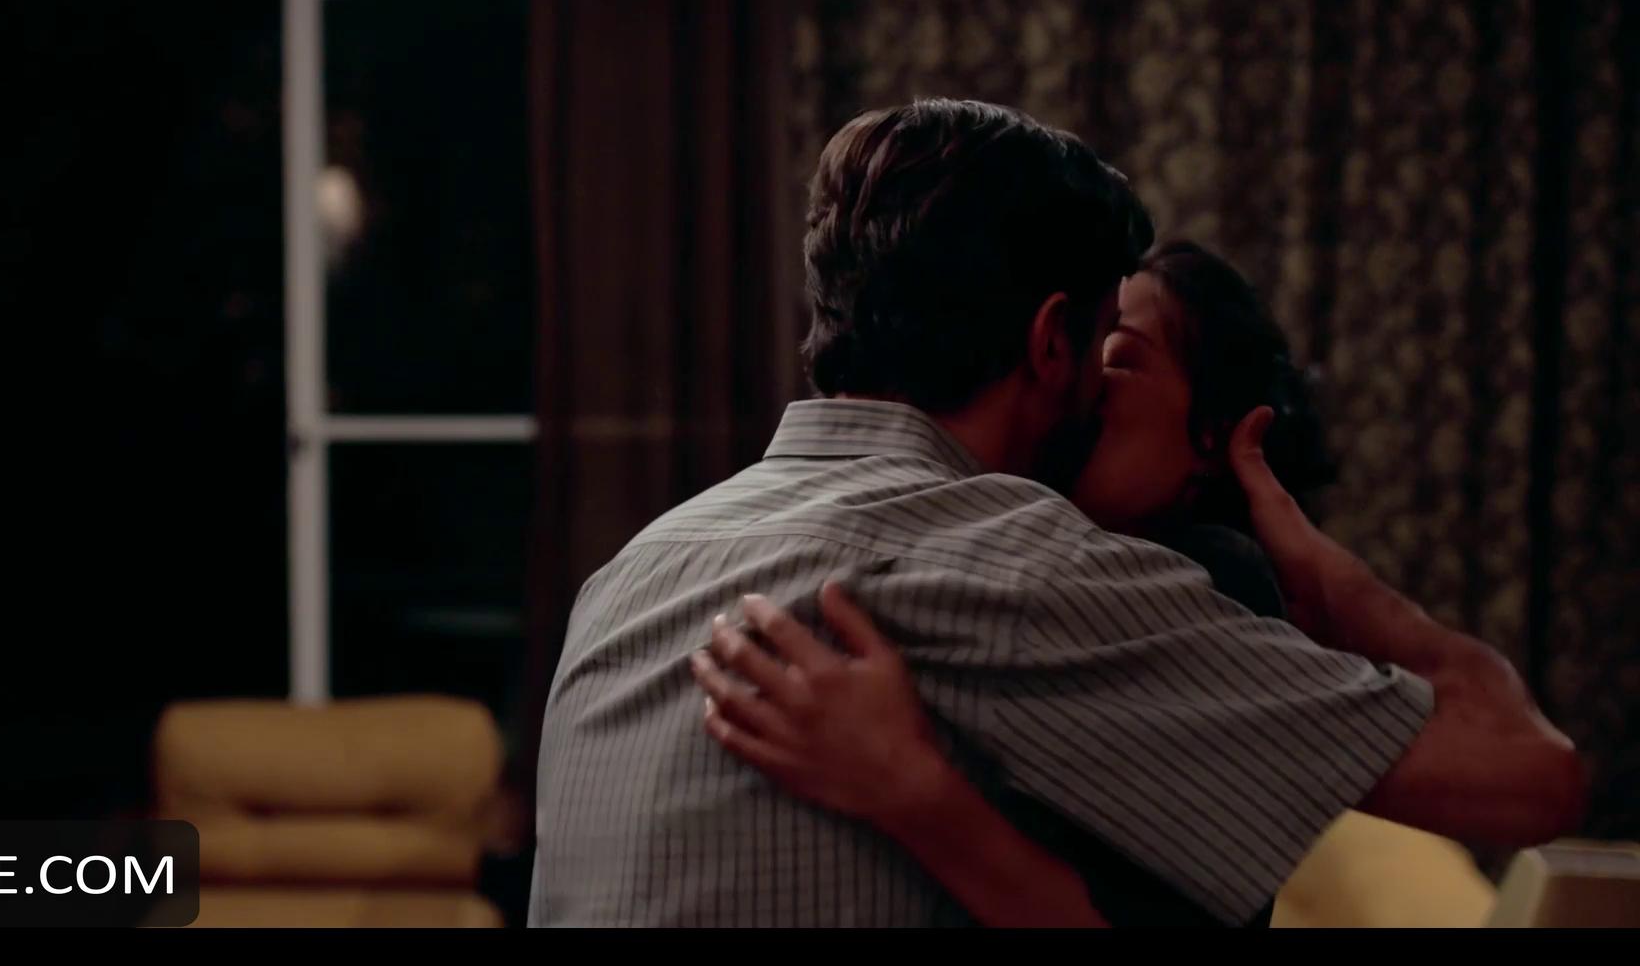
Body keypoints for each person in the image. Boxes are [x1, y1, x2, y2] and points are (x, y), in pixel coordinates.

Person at [529, 99, 1583, 927]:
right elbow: (1533, 781)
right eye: (1102, 348)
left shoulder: (630, 575)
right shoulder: (1024, 568)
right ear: (1049, 345)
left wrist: (924, 798)